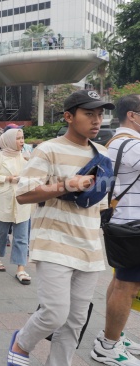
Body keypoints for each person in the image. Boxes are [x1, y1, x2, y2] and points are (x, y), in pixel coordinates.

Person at [8, 90, 115, 366]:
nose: (96, 120)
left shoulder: (101, 154)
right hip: (53, 243)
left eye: (100, 114)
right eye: (89, 114)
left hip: (89, 247)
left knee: (75, 321)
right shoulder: (49, 149)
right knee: (55, 312)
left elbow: (98, 205)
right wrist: (65, 184)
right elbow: (24, 193)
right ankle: (22, 342)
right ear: (69, 116)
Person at [92, 94, 140, 365]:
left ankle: (112, 336)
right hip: (132, 225)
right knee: (127, 286)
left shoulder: (115, 141)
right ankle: (108, 347)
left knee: (120, 281)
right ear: (132, 115)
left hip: (123, 223)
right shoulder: (132, 146)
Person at [0, 129, 32, 284]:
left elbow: (35, 175)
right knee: (0, 233)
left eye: (23, 138)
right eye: (18, 138)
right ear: (10, 140)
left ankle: (21, 269)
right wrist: (7, 178)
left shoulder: (26, 156)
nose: (22, 141)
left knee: (22, 237)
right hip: (4, 200)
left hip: (22, 201)